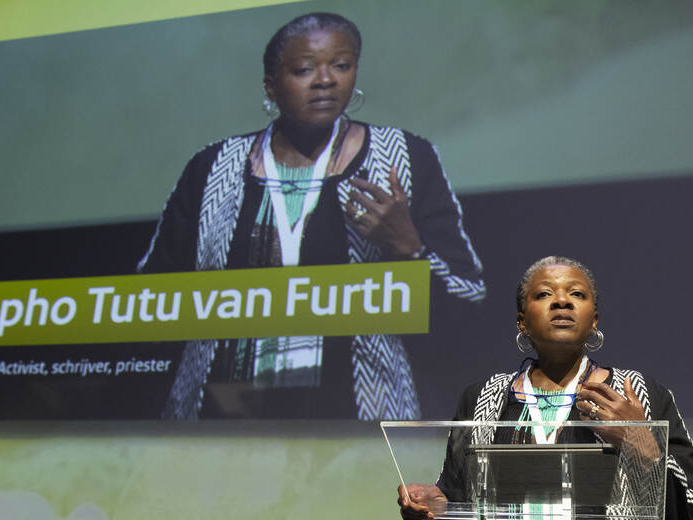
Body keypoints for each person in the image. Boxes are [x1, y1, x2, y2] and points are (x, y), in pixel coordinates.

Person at [138, 13, 485, 420]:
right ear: (270, 84)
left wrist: (410, 250)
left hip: (360, 417)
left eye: (341, 65)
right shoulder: (213, 167)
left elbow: (469, 298)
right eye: (304, 69)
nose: (326, 80)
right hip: (220, 413)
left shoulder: (404, 156)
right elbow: (153, 299)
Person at [397, 256, 693, 520]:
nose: (562, 300)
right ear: (522, 322)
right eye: (544, 294)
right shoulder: (481, 399)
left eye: (577, 294)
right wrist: (436, 512)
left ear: (594, 320)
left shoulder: (639, 395)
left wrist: (642, 447)